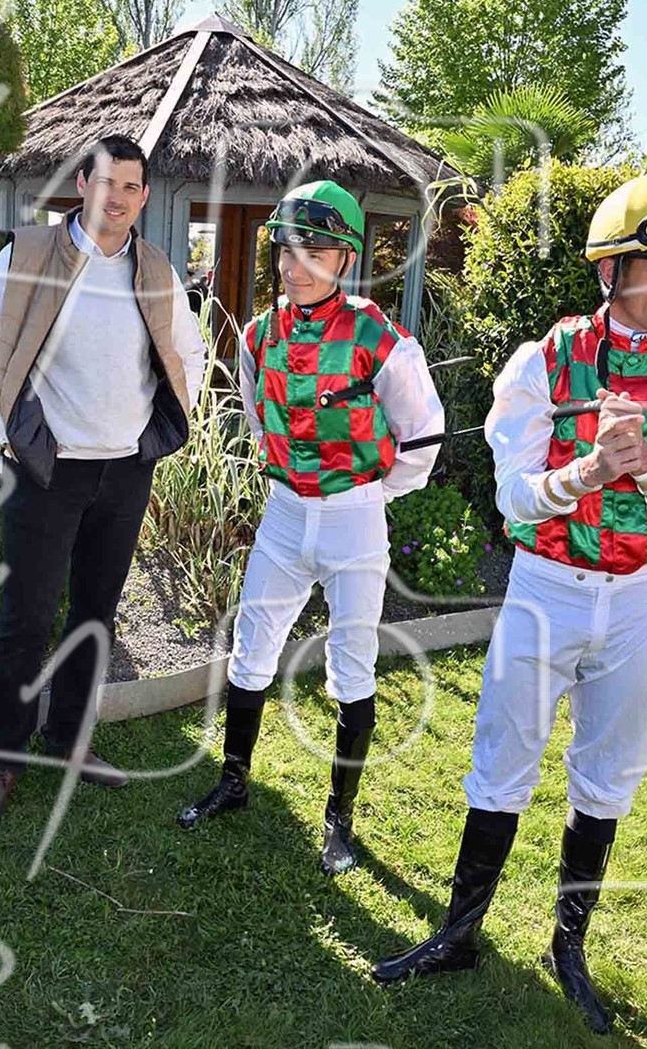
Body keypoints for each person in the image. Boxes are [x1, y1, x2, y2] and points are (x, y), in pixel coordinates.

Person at [370, 172, 647, 1033]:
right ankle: (459, 933)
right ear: (611, 270)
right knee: (503, 756)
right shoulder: (544, 360)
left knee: (609, 773)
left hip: (641, 597)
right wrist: (589, 471)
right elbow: (515, 498)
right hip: (547, 588)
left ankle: (568, 946)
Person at [175, 181, 445, 875]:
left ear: (346, 258)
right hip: (283, 514)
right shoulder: (258, 334)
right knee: (251, 646)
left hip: (355, 519)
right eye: (287, 251)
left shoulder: (380, 338)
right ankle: (234, 781)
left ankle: (339, 820)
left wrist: (368, 495)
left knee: (352, 663)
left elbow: (422, 436)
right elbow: (259, 416)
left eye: (315, 253)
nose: (296, 267)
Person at [0, 135, 207, 823]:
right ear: (82, 185)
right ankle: (3, 759)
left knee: (94, 615)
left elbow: (190, 352)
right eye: (106, 182)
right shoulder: (29, 254)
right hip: (46, 470)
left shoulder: (156, 270)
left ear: (143, 198)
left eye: (131, 187)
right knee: (27, 618)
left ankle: (67, 742)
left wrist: (157, 430)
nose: (117, 198)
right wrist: (7, 430)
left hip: (126, 472)